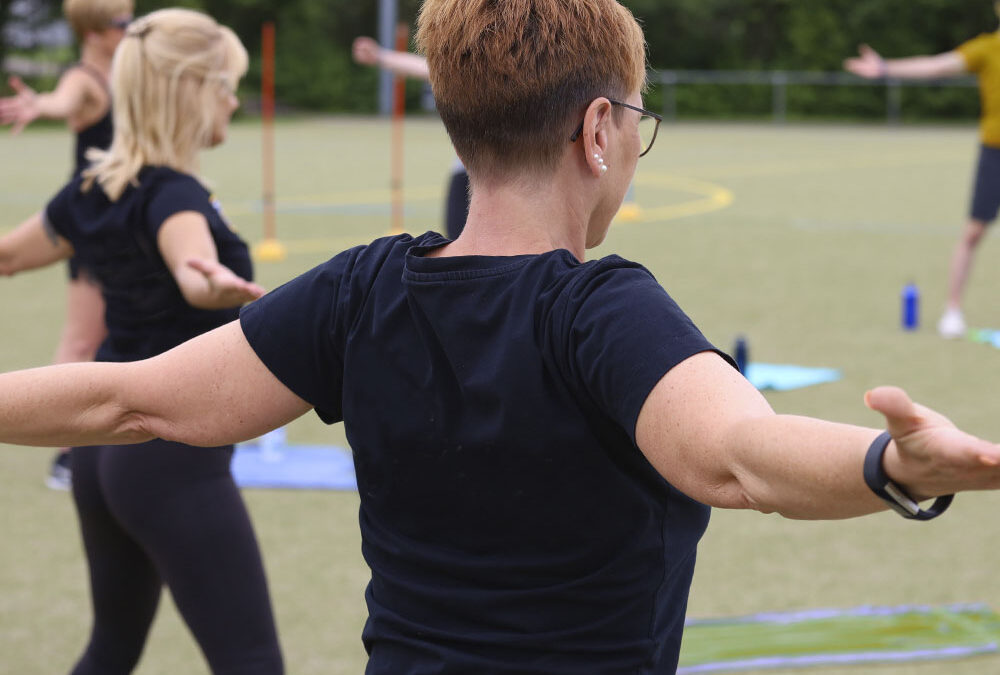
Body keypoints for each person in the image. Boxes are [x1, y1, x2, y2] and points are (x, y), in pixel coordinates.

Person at [2, 1, 1000, 673]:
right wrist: (893, 464)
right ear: (598, 131)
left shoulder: (358, 291)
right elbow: (740, 459)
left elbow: (122, 397)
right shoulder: (601, 311)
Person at [0, 9, 283, 674]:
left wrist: (201, 277)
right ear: (192, 91)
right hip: (167, 459)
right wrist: (206, 281)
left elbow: (7, 255)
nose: (234, 100)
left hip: (101, 460)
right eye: (226, 85)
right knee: (252, 663)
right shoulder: (176, 196)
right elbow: (188, 263)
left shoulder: (91, 189)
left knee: (111, 648)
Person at [0, 0, 133, 489]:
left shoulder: (128, 67)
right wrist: (41, 105)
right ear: (93, 32)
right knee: (82, 340)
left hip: (122, 217)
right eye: (121, 23)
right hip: (88, 215)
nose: (129, 28)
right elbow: (63, 99)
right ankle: (66, 458)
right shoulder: (84, 79)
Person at [845, 3, 1000, 339]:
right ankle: (953, 309)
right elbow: (935, 66)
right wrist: (886, 67)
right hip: (995, 152)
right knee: (972, 234)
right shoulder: (987, 49)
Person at [352, 35, 471, 239]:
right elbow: (422, 67)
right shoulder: (468, 72)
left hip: (518, 175)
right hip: (467, 172)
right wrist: (380, 55)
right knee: (457, 240)